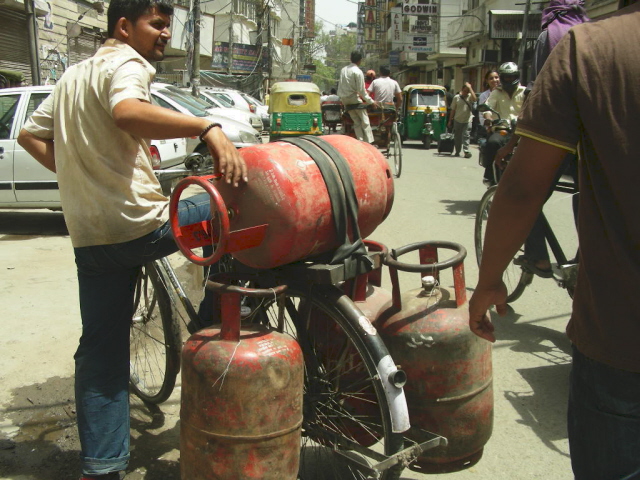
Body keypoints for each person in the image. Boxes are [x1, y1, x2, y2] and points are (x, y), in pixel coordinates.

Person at [16, 0, 247, 478]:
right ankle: (212, 321)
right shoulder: (127, 63)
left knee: (100, 353)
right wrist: (208, 126)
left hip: (92, 238)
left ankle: (102, 469)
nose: (165, 34)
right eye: (156, 24)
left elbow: (28, 134)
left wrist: (84, 179)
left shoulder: (73, 75)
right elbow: (126, 112)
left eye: (167, 25)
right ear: (124, 27)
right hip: (143, 225)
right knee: (235, 204)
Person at [468, 2, 640, 479]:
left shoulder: (589, 49)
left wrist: (488, 280)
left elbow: (523, 187)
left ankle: (537, 260)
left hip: (620, 342)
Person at [516, 0, 589, 277]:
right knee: (586, 197)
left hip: (558, 131)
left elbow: (539, 88)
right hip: (592, 135)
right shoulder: (591, 29)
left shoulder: (550, 35)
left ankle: (538, 258)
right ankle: (585, 258)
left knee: (526, 193)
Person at [481, 62, 526, 186]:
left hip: (522, 131)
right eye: (506, 77)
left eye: (512, 76)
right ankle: (489, 175)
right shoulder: (496, 92)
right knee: (492, 143)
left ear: (517, 76)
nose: (509, 79)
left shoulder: (525, 92)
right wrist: (488, 118)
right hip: (502, 129)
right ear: (502, 77)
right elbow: (487, 108)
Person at [338, 51, 376, 144]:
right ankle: (370, 143)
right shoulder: (358, 72)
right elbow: (362, 91)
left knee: (357, 122)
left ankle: (360, 141)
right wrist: (372, 102)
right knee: (365, 122)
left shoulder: (343, 70)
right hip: (354, 99)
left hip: (345, 100)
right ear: (360, 61)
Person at [447, 81, 476, 158]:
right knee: (457, 137)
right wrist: (450, 120)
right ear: (461, 90)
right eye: (464, 91)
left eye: (467, 91)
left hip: (467, 120)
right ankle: (457, 151)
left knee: (466, 135)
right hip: (457, 120)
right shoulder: (456, 97)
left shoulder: (470, 97)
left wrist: (470, 88)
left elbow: (475, 99)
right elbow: (453, 110)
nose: (466, 93)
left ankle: (466, 151)